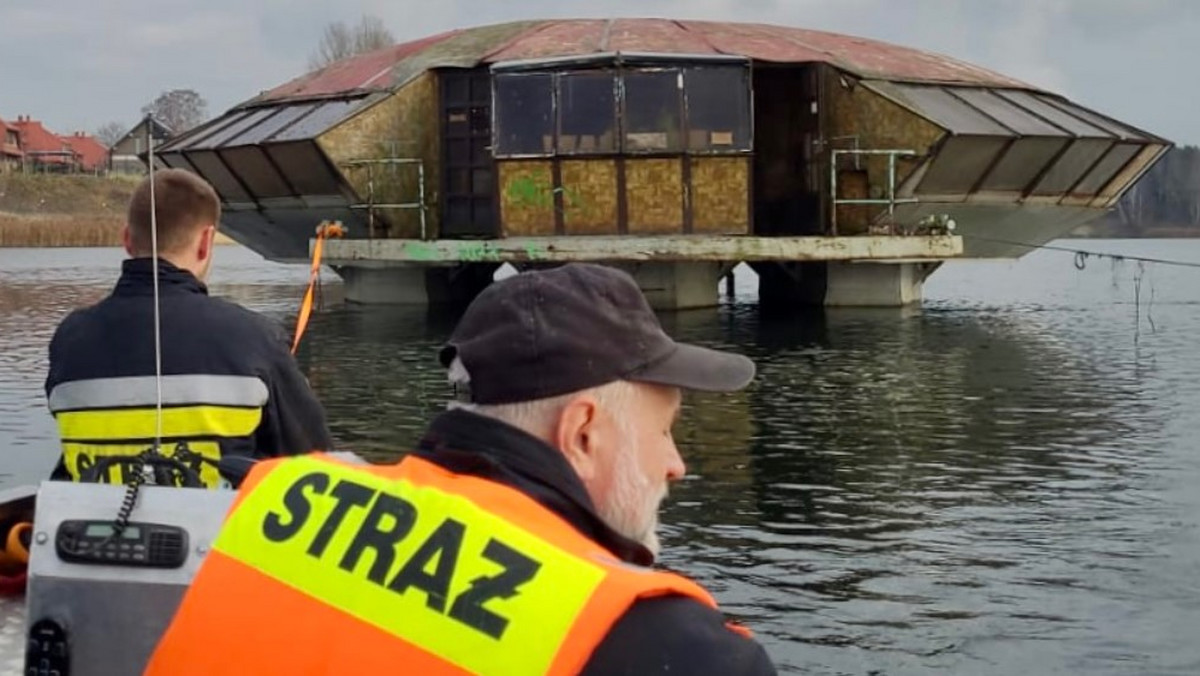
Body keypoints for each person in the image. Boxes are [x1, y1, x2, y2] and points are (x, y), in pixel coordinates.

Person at [145, 262, 777, 675]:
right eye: (663, 431)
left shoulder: (271, 505)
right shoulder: (669, 648)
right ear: (582, 433)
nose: (677, 465)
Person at [44, 168, 332, 488]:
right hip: (219, 535)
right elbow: (315, 461)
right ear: (206, 242)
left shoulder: (69, 340)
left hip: (90, 533)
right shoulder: (254, 337)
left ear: (126, 238)